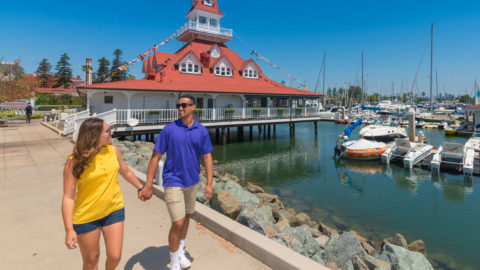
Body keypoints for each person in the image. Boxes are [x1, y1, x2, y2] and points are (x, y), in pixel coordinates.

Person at [139, 95, 213, 270]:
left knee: (187, 216)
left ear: (193, 107)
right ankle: (173, 263)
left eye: (184, 105)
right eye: (178, 105)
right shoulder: (169, 129)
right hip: (172, 181)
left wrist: (209, 183)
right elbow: (155, 157)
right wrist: (148, 184)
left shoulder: (201, 130)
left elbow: (207, 156)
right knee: (178, 222)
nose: (180, 108)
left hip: (192, 181)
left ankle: (180, 250)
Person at [61, 118, 144, 270]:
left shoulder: (113, 151)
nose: (111, 133)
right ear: (94, 136)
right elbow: (68, 197)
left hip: (114, 211)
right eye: (107, 131)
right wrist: (69, 229)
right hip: (87, 217)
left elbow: (125, 171)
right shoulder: (74, 162)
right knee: (91, 261)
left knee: (115, 256)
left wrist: (140, 187)